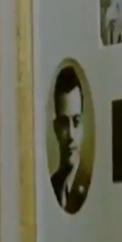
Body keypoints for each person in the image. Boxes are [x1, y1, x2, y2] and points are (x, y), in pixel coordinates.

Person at [50, 66, 89, 214]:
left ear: (83, 127)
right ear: (56, 128)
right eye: (64, 123)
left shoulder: (91, 183)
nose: (71, 135)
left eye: (76, 121)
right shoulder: (50, 186)